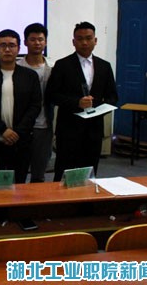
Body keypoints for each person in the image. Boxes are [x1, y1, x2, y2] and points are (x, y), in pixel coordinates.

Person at [45, 22, 118, 181]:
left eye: (88, 38)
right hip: (69, 128)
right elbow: (52, 95)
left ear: (95, 40)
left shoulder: (105, 66)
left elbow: (113, 97)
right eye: (79, 39)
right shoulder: (62, 65)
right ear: (73, 42)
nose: (84, 42)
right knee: (63, 173)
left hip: (94, 129)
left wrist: (97, 108)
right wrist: (77, 103)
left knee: (89, 173)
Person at [0, 29, 41, 184]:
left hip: (21, 140)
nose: (7, 49)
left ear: (18, 49)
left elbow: (35, 106)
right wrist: (3, 130)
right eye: (3, 45)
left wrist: (17, 132)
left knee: (18, 184)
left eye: (12, 45)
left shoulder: (30, 76)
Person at [17, 23, 54, 183]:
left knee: (39, 173)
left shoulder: (53, 67)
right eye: (32, 39)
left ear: (45, 42)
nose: (37, 43)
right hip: (20, 126)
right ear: (25, 42)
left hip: (44, 125)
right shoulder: (16, 67)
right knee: (18, 171)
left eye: (40, 39)